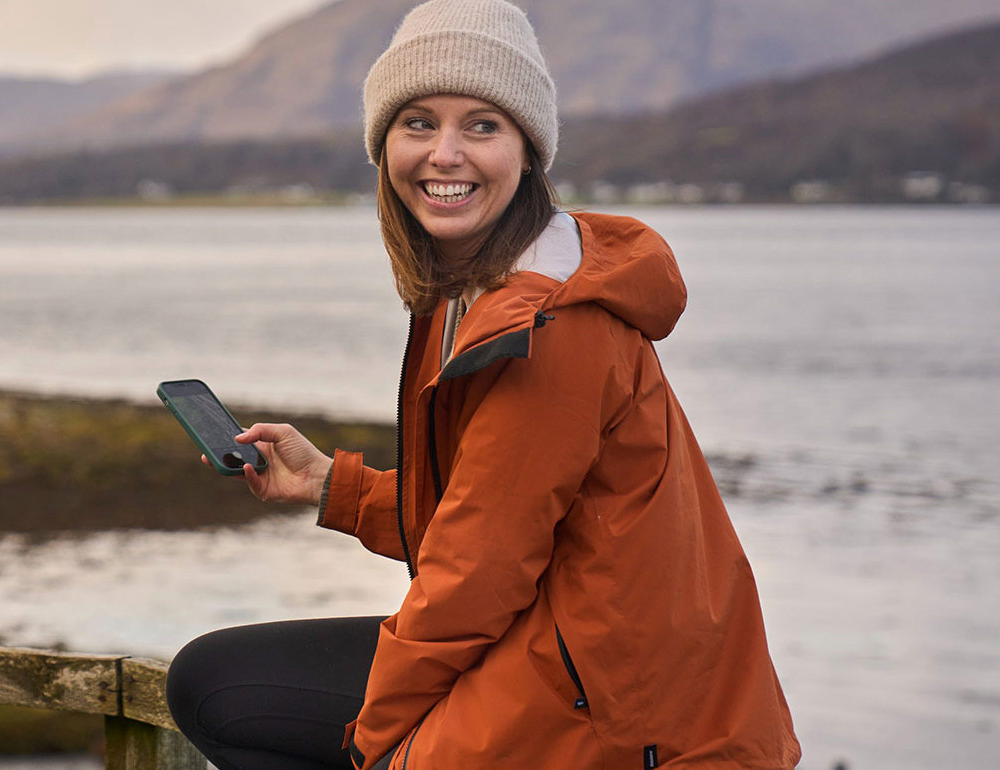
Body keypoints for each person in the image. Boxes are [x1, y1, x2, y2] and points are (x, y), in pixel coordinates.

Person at [162, 1, 803, 768]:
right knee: (212, 681)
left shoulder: (551, 327)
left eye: (482, 126)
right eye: (419, 123)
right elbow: (484, 522)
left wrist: (379, 747)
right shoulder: (467, 292)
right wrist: (335, 487)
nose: (445, 153)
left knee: (230, 696)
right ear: (383, 145)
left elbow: (473, 579)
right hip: (550, 646)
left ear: (528, 151)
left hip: (623, 718)